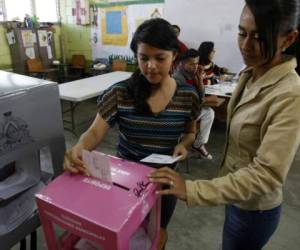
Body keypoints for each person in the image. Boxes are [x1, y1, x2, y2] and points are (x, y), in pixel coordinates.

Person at [149, 0, 300, 249]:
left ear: (289, 38)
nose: (245, 45)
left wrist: (192, 189)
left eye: (259, 37)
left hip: (254, 209)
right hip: (236, 195)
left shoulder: (290, 94)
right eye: (241, 33)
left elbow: (268, 174)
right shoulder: (250, 73)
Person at [63, 18, 200, 250]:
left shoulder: (188, 97)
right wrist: (79, 148)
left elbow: (191, 132)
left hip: (165, 183)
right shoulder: (120, 93)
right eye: (144, 58)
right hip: (125, 184)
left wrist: (185, 145)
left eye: (160, 58)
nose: (151, 66)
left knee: (156, 235)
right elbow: (96, 131)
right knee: (122, 234)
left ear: (174, 56)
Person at [173, 49, 214, 159]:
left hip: (191, 110)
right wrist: (202, 101)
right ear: (182, 63)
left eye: (197, 63)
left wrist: (200, 80)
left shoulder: (193, 75)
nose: (195, 67)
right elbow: (190, 100)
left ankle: (198, 143)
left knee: (209, 112)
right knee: (208, 112)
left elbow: (201, 96)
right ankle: (197, 143)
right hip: (180, 114)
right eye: (192, 64)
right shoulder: (178, 78)